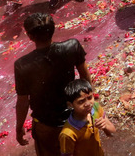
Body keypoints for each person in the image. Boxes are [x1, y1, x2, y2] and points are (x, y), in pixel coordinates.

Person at [14, 13, 91, 154]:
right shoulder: (72, 47)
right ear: (53, 29)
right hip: (74, 117)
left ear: (30, 36)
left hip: (46, 125)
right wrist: (88, 107)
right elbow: (85, 77)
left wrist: (19, 127)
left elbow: (23, 102)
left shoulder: (22, 65)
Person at [59, 79, 115, 156]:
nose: (88, 104)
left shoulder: (95, 108)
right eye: (81, 101)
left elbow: (112, 133)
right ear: (70, 105)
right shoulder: (68, 134)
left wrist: (105, 126)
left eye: (89, 97)